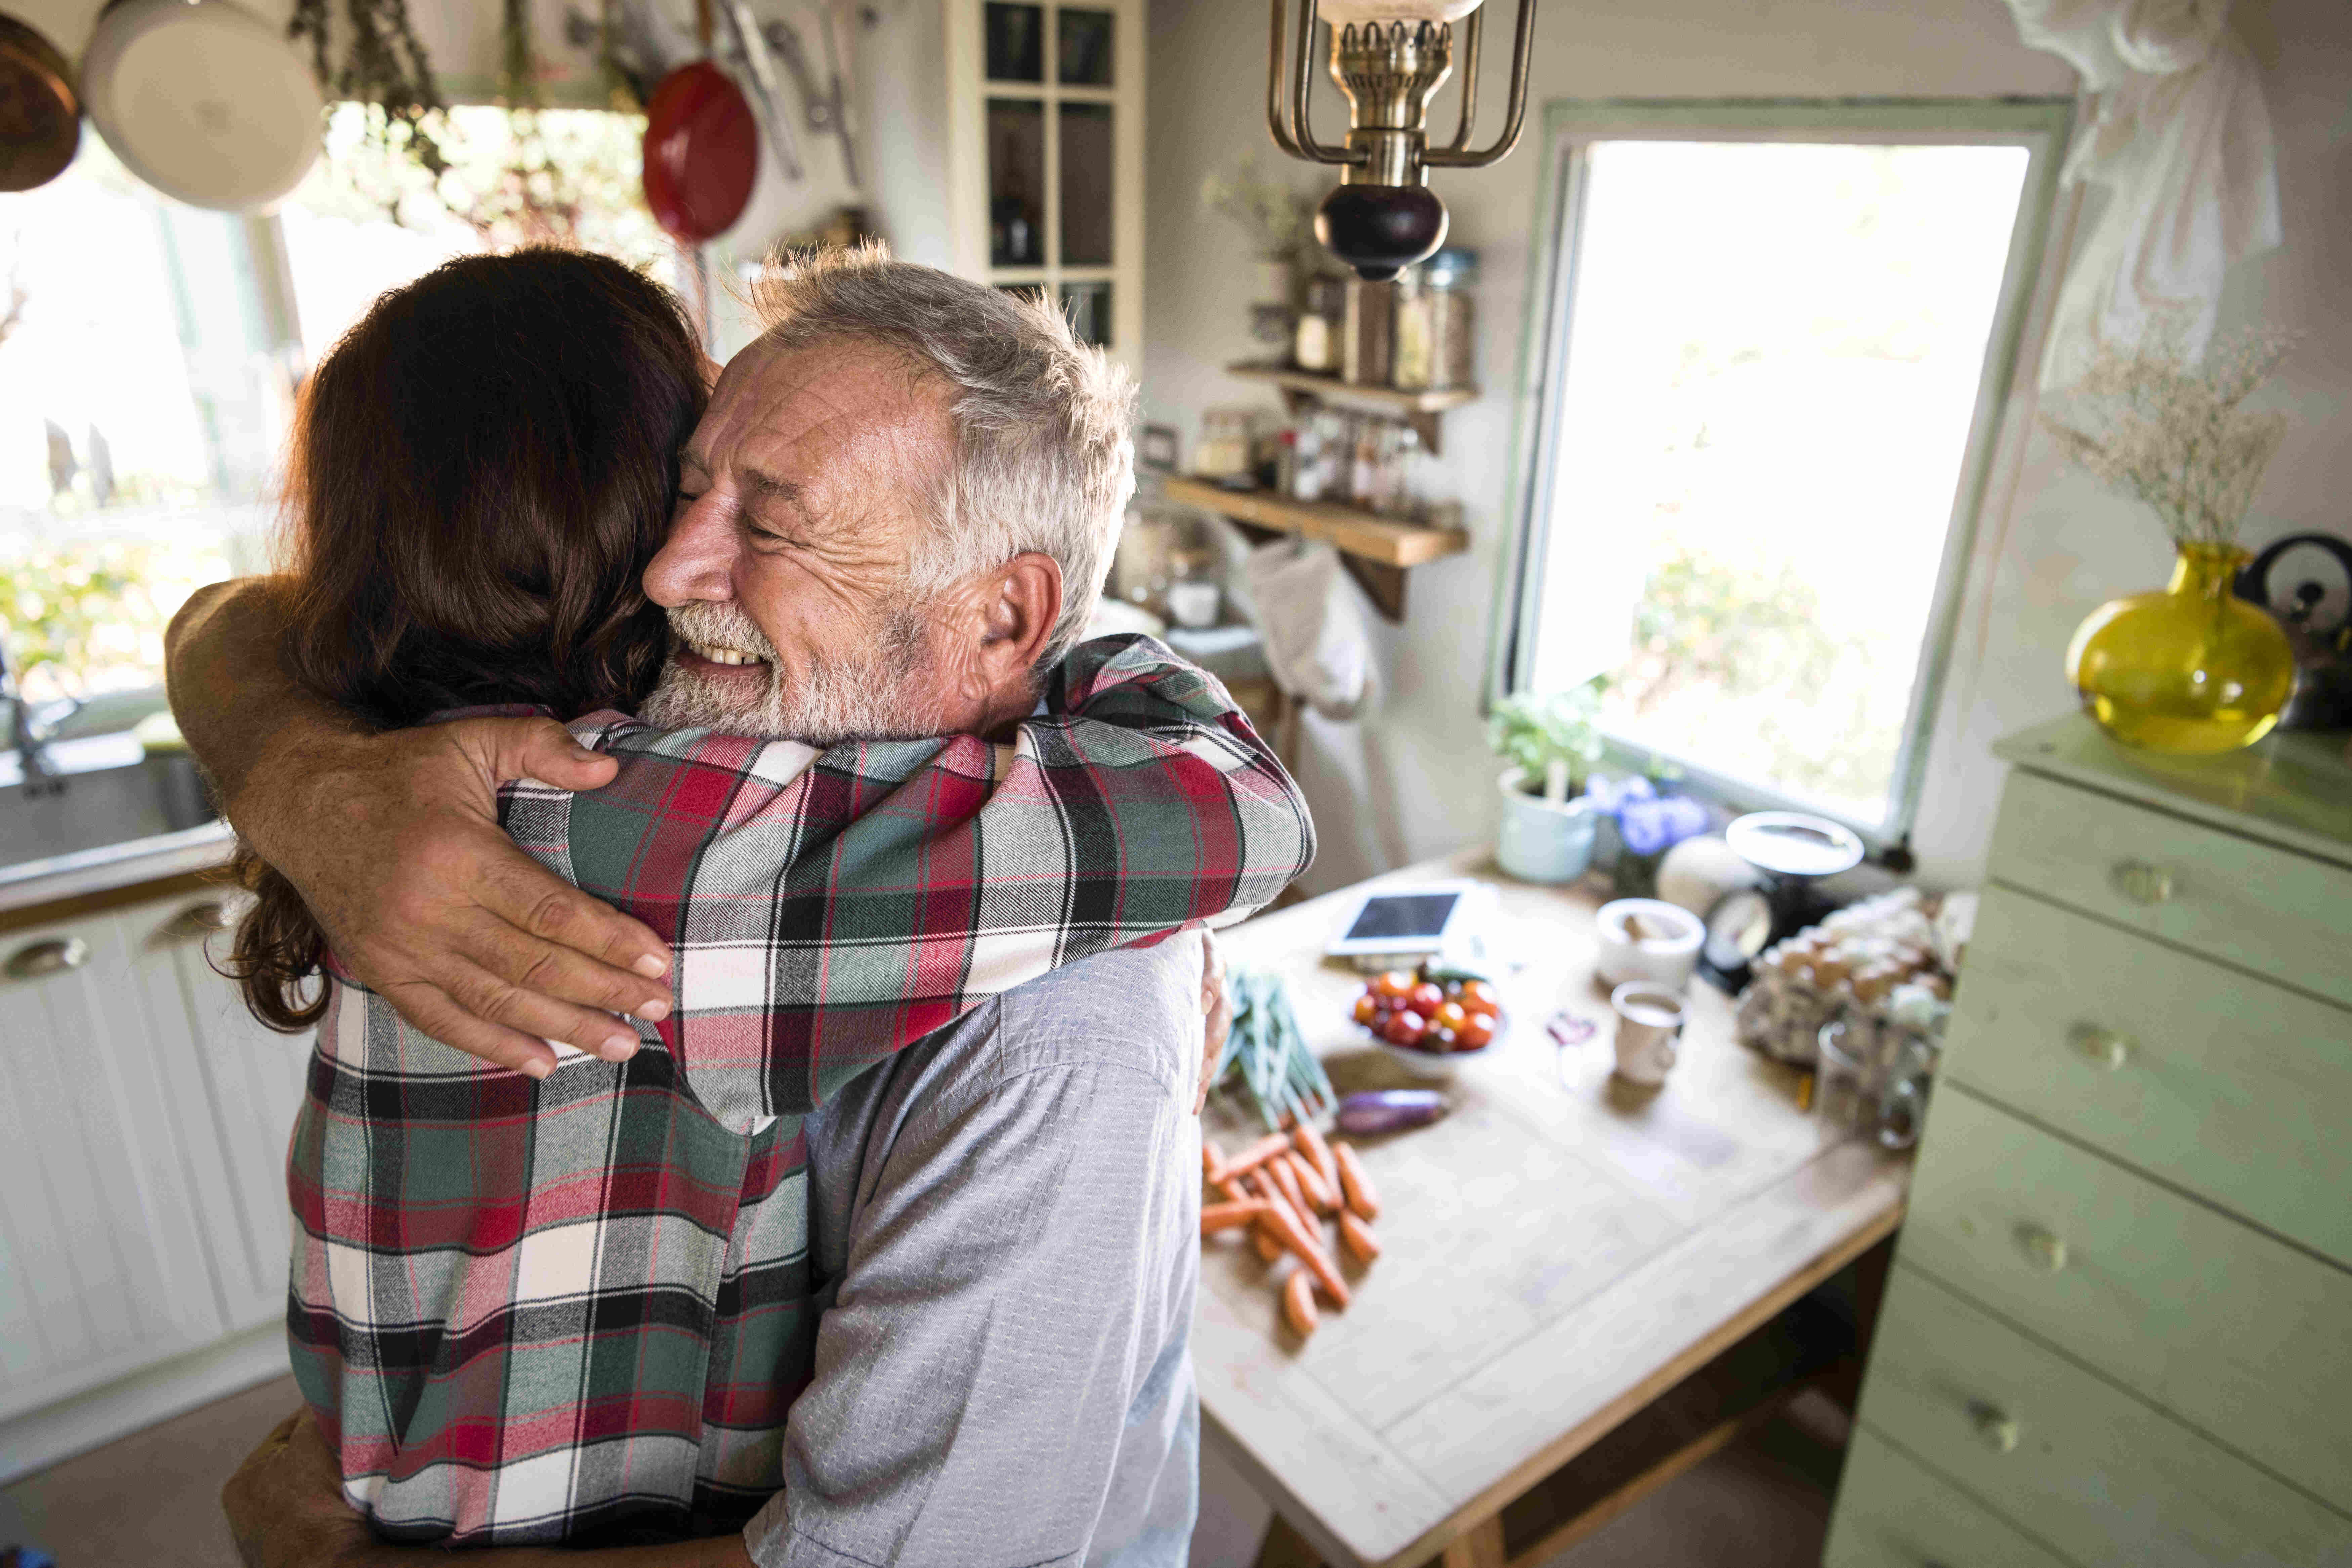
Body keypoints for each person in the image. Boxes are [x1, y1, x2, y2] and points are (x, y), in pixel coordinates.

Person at [174, 247, 1312, 1562]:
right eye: (687, 489)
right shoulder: (643, 797)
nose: (665, 572)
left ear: (1005, 614)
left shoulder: (1043, 1032)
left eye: (768, 523)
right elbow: (1237, 797)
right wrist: (314, 783)